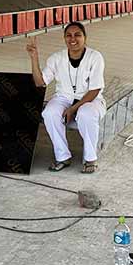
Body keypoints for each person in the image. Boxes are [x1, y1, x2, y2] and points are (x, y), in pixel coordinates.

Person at [26, 22, 106, 174]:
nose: (73, 39)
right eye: (68, 35)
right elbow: (40, 82)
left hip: (91, 99)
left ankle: (90, 158)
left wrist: (73, 109)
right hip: (64, 97)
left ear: (85, 38)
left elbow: (95, 90)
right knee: (49, 113)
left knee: (86, 114)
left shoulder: (95, 57)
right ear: (64, 38)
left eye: (77, 35)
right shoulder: (56, 58)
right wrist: (34, 58)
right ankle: (62, 156)